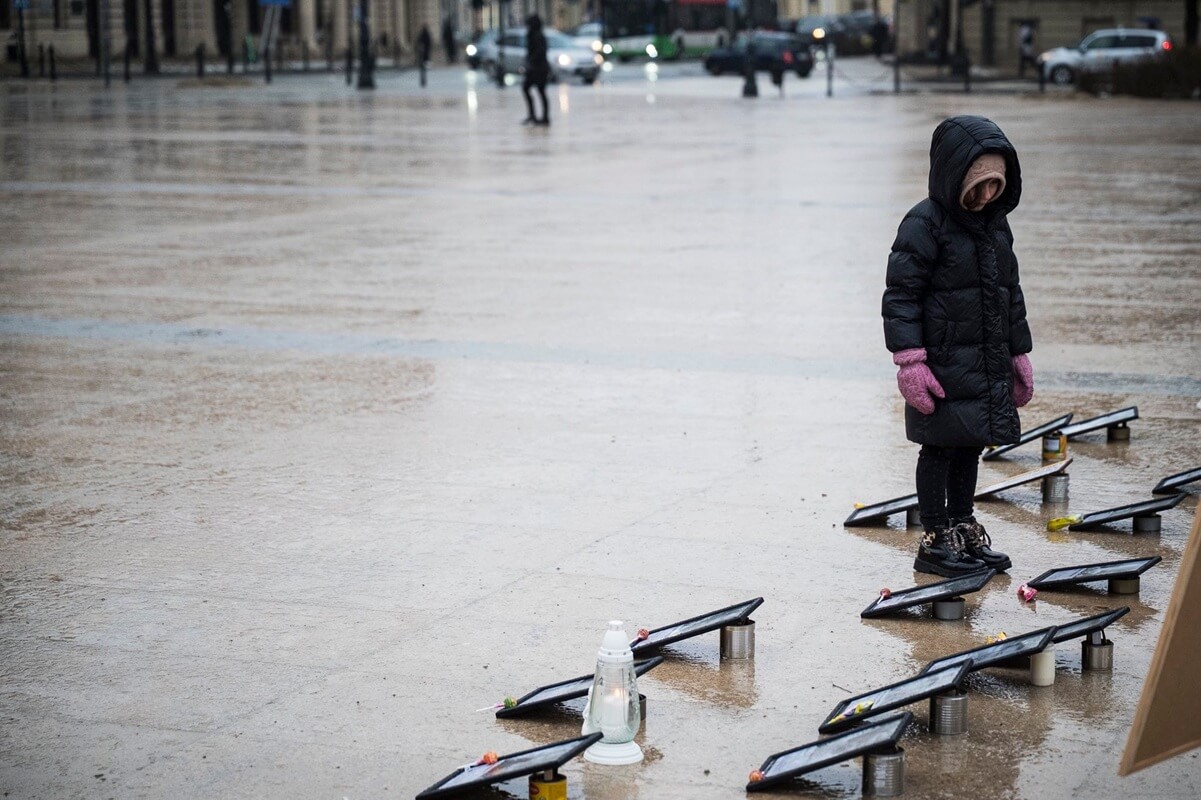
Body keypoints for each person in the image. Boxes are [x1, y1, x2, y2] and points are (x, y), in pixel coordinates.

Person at [882, 116, 1033, 577]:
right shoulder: (924, 223)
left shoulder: (996, 226)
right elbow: (901, 296)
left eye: (995, 186)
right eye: (978, 186)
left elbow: (1010, 291)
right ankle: (934, 539)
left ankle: (963, 528)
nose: (986, 196)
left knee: (971, 444)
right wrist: (910, 361)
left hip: (983, 359)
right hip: (940, 362)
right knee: (938, 448)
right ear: (954, 176)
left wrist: (1018, 353)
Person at [522, 14, 550, 126]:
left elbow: (539, 52)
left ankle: (541, 116)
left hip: (538, 69)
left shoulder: (537, 36)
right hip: (537, 68)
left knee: (538, 91)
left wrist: (531, 61)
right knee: (535, 90)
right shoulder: (533, 35)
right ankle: (535, 115)